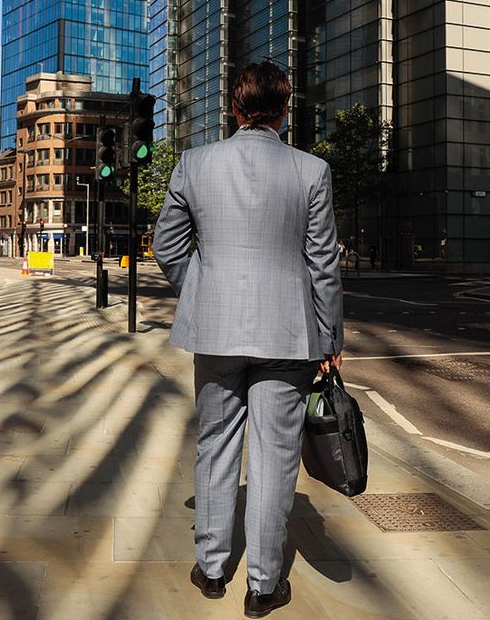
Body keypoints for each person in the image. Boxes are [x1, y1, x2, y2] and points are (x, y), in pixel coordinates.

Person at [153, 61, 344, 618]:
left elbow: (167, 245)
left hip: (215, 332)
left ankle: (211, 569)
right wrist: (330, 334)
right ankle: (263, 585)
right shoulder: (311, 171)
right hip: (288, 333)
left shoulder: (194, 164)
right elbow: (323, 263)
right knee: (274, 456)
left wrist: (203, 291)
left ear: (233, 108)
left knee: (214, 444)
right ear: (285, 110)